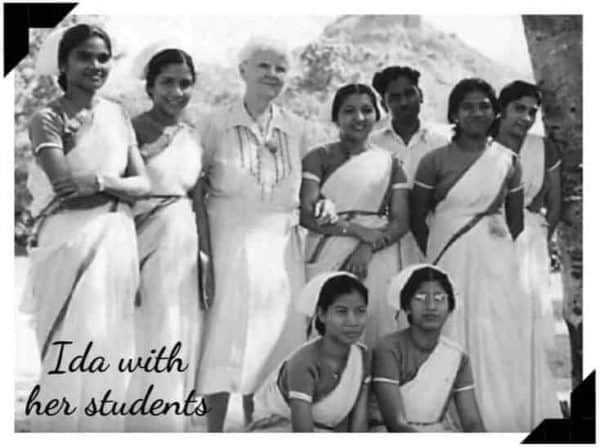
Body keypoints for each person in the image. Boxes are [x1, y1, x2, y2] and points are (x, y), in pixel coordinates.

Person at [21, 23, 150, 431]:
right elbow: (64, 189)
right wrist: (119, 189)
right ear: (63, 63)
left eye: (102, 57)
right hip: (67, 244)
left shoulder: (116, 114)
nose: (95, 65)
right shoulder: (48, 117)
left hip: (115, 245)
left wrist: (100, 182)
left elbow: (143, 185)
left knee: (108, 344)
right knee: (66, 345)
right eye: (84, 56)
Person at [194, 36, 315, 431]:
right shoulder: (214, 123)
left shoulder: (298, 128)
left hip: (281, 250)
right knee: (224, 341)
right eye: (263, 66)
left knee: (273, 343)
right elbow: (194, 189)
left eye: (281, 68)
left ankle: (258, 430)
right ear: (242, 70)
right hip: (228, 243)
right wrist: (203, 251)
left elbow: (315, 190)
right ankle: (212, 433)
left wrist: (325, 203)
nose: (272, 75)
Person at [411, 78, 531, 431]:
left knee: (494, 333)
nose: (476, 113)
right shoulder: (434, 161)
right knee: (449, 329)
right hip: (447, 257)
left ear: (495, 112)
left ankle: (495, 416)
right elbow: (418, 218)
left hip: (495, 263)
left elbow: (516, 222)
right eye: (467, 106)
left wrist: (491, 247)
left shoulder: (508, 161)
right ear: (454, 114)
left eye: (483, 106)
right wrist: (441, 254)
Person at [124, 42, 213, 431]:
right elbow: (122, 199)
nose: (177, 92)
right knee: (148, 326)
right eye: (167, 83)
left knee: (181, 325)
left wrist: (207, 259)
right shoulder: (132, 130)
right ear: (150, 85)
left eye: (185, 83)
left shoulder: (192, 135)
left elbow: (199, 201)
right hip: (143, 237)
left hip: (185, 240)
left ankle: (172, 423)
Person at [300, 83, 411, 347]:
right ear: (336, 117)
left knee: (375, 327)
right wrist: (358, 231)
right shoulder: (319, 157)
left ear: (376, 115)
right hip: (327, 247)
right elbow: (306, 212)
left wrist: (368, 248)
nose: (359, 118)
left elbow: (400, 220)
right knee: (324, 326)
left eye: (366, 110)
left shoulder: (391, 163)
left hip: (377, 255)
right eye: (349, 111)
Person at [494, 80, 563, 423]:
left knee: (527, 324)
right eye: (519, 109)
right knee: (492, 319)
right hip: (489, 236)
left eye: (532, 112)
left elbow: (554, 202)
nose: (526, 117)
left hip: (529, 241)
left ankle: (527, 405)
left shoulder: (542, 148)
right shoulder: (484, 143)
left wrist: (539, 238)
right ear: (502, 109)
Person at [250, 272, 370, 432]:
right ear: (321, 314)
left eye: (360, 311)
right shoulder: (304, 363)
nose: (352, 321)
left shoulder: (362, 357)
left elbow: (358, 425)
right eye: (341, 312)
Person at [371, 264, 485, 432]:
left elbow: (472, 423)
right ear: (407, 306)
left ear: (450, 307)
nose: (431, 306)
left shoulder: (457, 356)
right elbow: (396, 423)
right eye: (420, 297)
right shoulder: (388, 348)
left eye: (439, 298)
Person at [371, 66, 449, 266]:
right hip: (386, 244)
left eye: (409, 93)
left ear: (420, 95)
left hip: (433, 238)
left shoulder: (442, 143)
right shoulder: (372, 145)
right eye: (395, 97)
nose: (404, 102)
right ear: (383, 104)